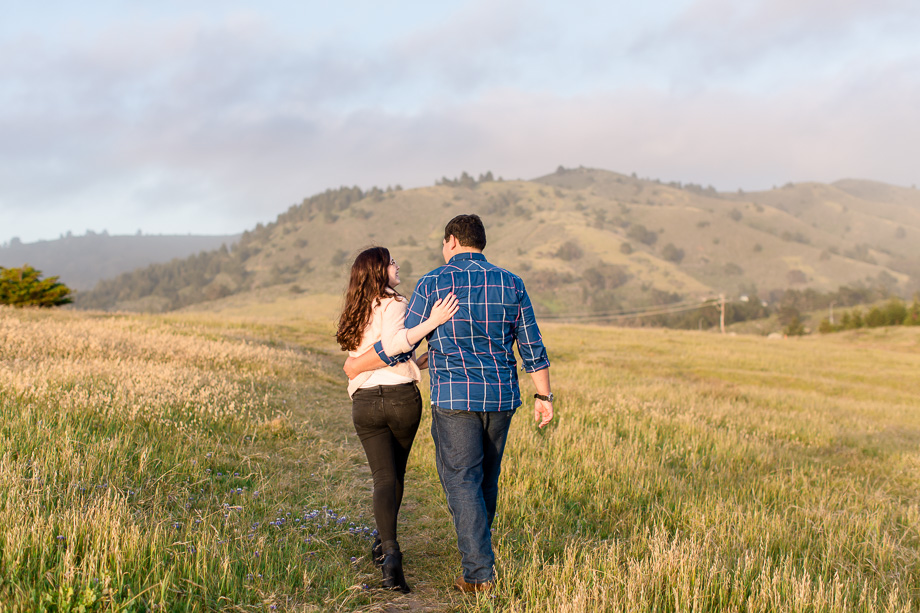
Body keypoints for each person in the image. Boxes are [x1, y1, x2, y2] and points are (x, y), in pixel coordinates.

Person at [345, 214, 553, 592]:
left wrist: (358, 363)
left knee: (461, 480)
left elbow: (404, 340)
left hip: (455, 397)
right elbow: (532, 345)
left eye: (444, 244)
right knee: (486, 479)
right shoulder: (512, 283)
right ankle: (479, 559)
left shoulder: (434, 282)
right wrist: (544, 395)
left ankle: (479, 574)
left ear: (453, 241)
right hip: (502, 396)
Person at [335, 246, 459, 593]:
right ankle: (390, 554)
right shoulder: (395, 303)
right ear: (379, 271)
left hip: (364, 401)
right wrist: (432, 322)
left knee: (382, 478)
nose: (397, 265)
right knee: (395, 474)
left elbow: (379, 354)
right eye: (391, 262)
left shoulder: (355, 309)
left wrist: (415, 361)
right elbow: (391, 345)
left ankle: (386, 549)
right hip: (401, 399)